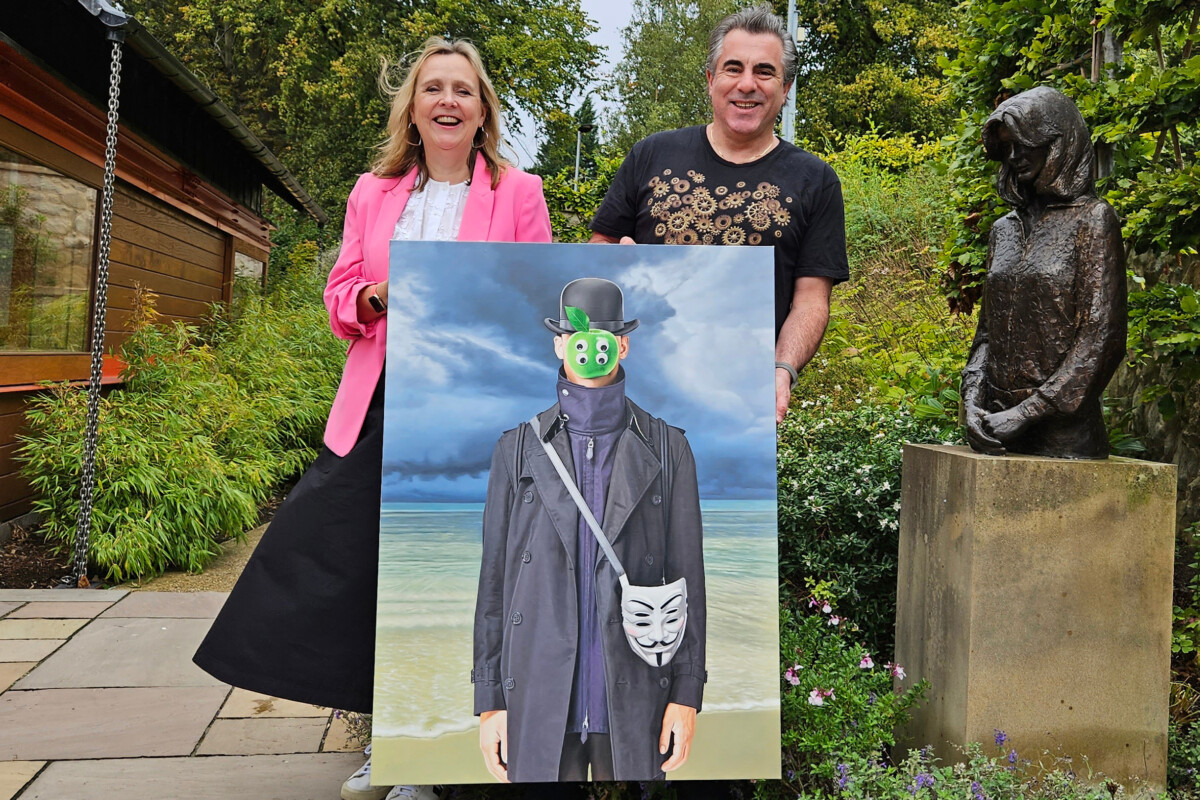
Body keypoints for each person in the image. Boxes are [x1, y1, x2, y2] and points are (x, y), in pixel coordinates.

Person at [192, 36, 552, 800]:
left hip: (473, 411)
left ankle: (440, 757)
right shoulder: (374, 192)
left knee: (451, 581)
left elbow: (538, 301)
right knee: (354, 572)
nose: (449, 101)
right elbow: (341, 296)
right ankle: (391, 747)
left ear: (483, 109)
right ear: (413, 109)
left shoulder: (519, 192)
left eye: (464, 89)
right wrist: (380, 296)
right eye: (434, 89)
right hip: (382, 399)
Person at [472, 278, 706, 784]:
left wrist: (686, 695)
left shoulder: (669, 449)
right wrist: (491, 701)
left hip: (638, 688)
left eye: (605, 337)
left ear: (622, 344)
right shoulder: (515, 449)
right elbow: (495, 585)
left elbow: (689, 579)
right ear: (559, 343)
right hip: (537, 691)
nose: (590, 347)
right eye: (577, 336)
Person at [588, 3, 849, 424]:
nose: (747, 84)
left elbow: (811, 299)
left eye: (765, 71)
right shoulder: (651, 154)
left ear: (785, 89)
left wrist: (782, 370)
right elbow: (599, 250)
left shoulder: (815, 180)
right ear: (711, 81)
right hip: (636, 378)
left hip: (741, 396)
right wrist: (617, 262)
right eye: (733, 68)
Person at [962, 86, 1126, 460]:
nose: (1015, 157)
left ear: (1060, 143)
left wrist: (1027, 412)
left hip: (1064, 440)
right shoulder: (1003, 229)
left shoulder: (1093, 220)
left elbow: (1102, 338)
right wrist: (972, 401)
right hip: (998, 431)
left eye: (1024, 144)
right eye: (1007, 147)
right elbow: (986, 334)